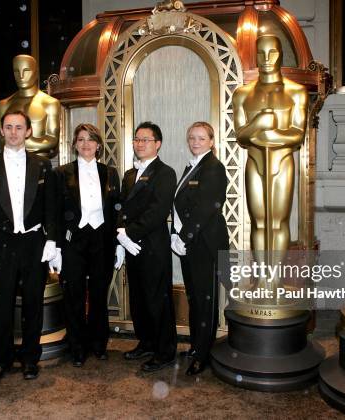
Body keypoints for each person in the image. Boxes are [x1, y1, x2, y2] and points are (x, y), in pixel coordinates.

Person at [0, 110, 57, 383]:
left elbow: (51, 208)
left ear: (28, 131)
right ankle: (2, 361)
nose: (13, 132)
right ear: (1, 130)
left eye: (19, 127)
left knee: (33, 303)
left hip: (34, 243)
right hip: (1, 244)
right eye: (8, 127)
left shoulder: (43, 165)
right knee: (2, 305)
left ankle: (30, 359)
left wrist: (52, 240)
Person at [232, 35, 308, 291]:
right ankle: (262, 278)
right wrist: (259, 124)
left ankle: (275, 279)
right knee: (259, 223)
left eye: (272, 53)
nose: (266, 59)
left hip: (282, 162)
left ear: (280, 54)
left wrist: (267, 132)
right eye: (261, 53)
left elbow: (297, 134)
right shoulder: (243, 93)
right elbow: (241, 135)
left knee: (278, 222)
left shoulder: (295, 91)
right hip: (255, 162)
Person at [49, 123, 120, 367]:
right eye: (81, 139)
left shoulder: (110, 173)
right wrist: (56, 248)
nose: (86, 144)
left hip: (102, 240)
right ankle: (77, 346)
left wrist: (119, 243)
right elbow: (55, 213)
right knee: (74, 295)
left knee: (100, 295)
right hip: (73, 242)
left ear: (98, 144)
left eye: (91, 139)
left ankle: (98, 344)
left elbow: (115, 210)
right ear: (74, 144)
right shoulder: (60, 173)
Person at [116, 121, 177, 372]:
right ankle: (147, 342)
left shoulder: (165, 173)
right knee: (139, 298)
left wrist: (128, 232)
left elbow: (157, 212)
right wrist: (120, 237)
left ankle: (165, 352)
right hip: (131, 247)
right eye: (136, 139)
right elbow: (122, 206)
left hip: (152, 246)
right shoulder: (130, 174)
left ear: (157, 144)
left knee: (157, 299)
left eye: (145, 140)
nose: (139, 144)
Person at [171, 122, 228, 375]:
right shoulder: (191, 166)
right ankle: (196, 346)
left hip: (204, 244)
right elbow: (180, 207)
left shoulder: (214, 167)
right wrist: (177, 235)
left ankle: (203, 355)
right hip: (190, 243)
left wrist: (184, 236)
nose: (195, 142)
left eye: (201, 138)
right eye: (192, 137)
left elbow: (206, 207)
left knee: (206, 301)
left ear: (212, 141)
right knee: (195, 298)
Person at [0, 54, 60, 159]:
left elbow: (52, 140)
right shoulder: (3, 105)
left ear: (36, 72)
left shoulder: (50, 103)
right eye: (16, 71)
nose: (21, 76)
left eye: (26, 71)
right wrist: (29, 143)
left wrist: (20, 142)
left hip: (39, 164)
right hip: (11, 162)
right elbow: (2, 140)